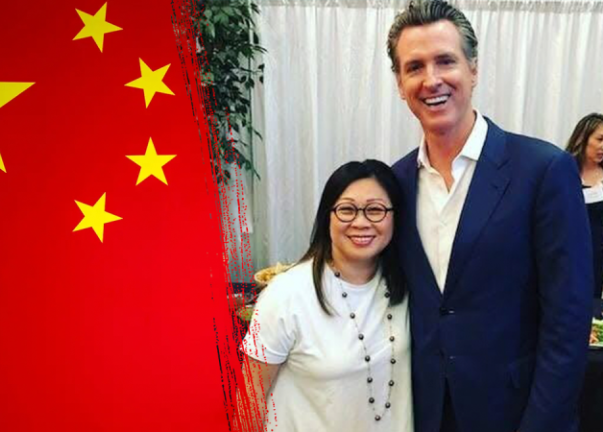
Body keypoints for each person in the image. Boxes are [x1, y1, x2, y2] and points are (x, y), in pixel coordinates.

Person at [387, 1, 593, 432]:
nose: (431, 80)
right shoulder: (396, 182)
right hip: (424, 413)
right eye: (415, 67)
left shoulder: (543, 170)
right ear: (400, 83)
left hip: (517, 412)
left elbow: (568, 320)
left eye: (446, 61)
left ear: (474, 69)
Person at [237, 160, 413, 432]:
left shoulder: (408, 282)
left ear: (395, 217)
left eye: (376, 210)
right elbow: (250, 403)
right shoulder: (285, 294)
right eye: (347, 210)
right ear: (326, 217)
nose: (361, 222)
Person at [565, 113, 603, 300]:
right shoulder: (562, 171)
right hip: (567, 256)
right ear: (582, 137)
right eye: (600, 139)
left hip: (597, 259)